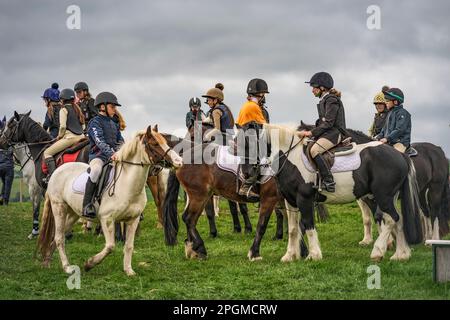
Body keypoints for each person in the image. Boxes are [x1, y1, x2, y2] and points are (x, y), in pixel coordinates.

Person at [298, 72, 347, 193]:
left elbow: (328, 123)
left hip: (335, 133)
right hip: (327, 133)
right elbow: (322, 122)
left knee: (315, 150)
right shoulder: (324, 100)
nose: (312, 90)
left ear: (322, 88)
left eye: (314, 87)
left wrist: (311, 133)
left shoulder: (331, 100)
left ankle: (329, 181)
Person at [82, 92, 124, 219]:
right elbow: (99, 141)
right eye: (112, 107)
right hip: (98, 157)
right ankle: (87, 205)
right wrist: (112, 153)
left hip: (114, 157)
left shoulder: (113, 123)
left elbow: (120, 141)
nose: (115, 110)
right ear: (102, 107)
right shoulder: (95, 122)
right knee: (95, 171)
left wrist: (123, 151)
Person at [235, 78, 269, 198]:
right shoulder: (254, 107)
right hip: (249, 140)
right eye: (263, 94)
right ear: (260, 95)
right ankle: (246, 187)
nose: (264, 96)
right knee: (263, 163)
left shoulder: (246, 105)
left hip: (244, 137)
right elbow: (265, 126)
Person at [43, 89, 86, 181]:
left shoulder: (63, 109)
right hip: (82, 137)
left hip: (70, 138)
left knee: (47, 153)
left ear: (62, 99)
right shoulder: (77, 109)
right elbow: (83, 125)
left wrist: (59, 136)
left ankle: (53, 177)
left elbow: (62, 127)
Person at [375, 87, 411, 153]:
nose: (386, 103)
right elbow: (384, 130)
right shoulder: (389, 114)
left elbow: (400, 130)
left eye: (387, 101)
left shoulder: (403, 113)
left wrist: (387, 138)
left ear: (395, 102)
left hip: (400, 143)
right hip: (389, 142)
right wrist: (377, 138)